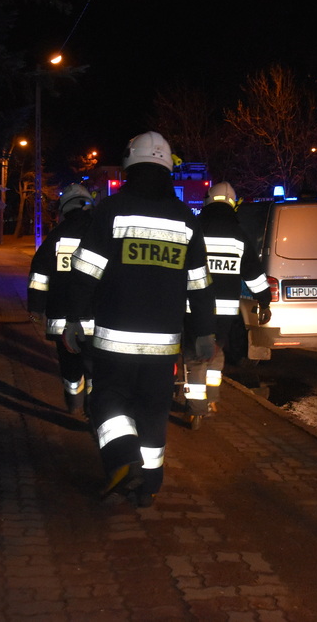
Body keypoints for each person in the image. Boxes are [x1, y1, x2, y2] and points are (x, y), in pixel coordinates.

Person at [62, 131, 216, 508]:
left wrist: (73, 321)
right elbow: (200, 285)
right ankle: (147, 488)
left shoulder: (111, 211)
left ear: (130, 164)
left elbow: (85, 272)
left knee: (107, 404)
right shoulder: (185, 219)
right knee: (152, 413)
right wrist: (205, 332)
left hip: (114, 342)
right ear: (167, 167)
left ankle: (122, 460)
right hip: (164, 348)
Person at [182, 182, 271, 422]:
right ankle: (212, 399)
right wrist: (265, 301)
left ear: (207, 201)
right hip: (225, 313)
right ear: (233, 204)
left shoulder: (195, 230)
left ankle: (197, 409)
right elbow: (253, 274)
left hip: (193, 309)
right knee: (216, 351)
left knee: (194, 358)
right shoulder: (239, 236)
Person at [27, 183, 96, 414]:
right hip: (96, 318)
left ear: (64, 209)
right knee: (94, 365)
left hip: (63, 319)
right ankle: (92, 405)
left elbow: (39, 274)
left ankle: (73, 397)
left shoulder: (56, 237)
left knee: (69, 363)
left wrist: (35, 308)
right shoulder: (100, 235)